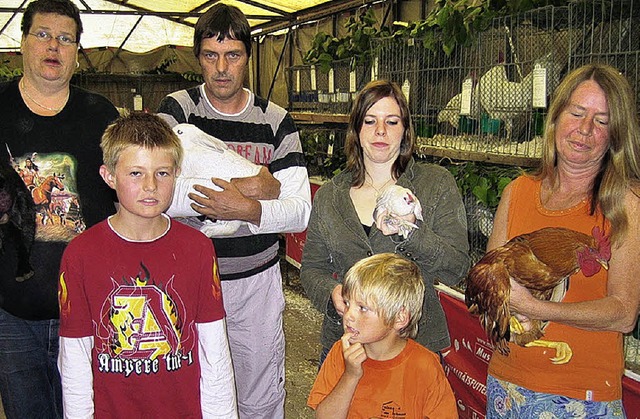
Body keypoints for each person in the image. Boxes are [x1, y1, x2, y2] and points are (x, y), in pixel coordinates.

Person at [156, 4, 311, 417]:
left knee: (259, 394)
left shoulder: (276, 121)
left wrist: (244, 209)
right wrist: (254, 190)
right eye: (210, 55)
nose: (222, 68)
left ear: (248, 57)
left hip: (256, 283)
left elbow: (298, 212)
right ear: (198, 58)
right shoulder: (177, 112)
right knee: (193, 391)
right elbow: (152, 193)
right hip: (185, 281)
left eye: (233, 55)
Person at [57, 112, 238, 417]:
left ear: (177, 173)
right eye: (136, 173)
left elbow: (215, 354)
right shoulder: (80, 255)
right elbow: (74, 360)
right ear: (109, 175)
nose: (151, 186)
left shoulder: (198, 250)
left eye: (163, 173)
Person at [485, 63, 640, 417]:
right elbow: (489, 284)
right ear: (556, 117)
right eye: (577, 112)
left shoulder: (626, 202)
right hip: (506, 384)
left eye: (601, 121)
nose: (585, 129)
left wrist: (536, 308)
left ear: (615, 134)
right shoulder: (518, 192)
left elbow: (624, 313)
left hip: (580, 397)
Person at [0, 0, 119, 417]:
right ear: (23, 42)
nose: (54, 46)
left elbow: (126, 196)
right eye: (44, 34)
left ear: (77, 51)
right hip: (12, 312)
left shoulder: (100, 115)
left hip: (89, 311)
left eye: (66, 39)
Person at [300, 79, 470, 363]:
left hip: (414, 348)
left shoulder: (435, 185)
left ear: (405, 130)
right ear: (356, 129)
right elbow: (312, 269)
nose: (380, 131)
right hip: (347, 347)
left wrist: (410, 230)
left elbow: (457, 268)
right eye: (369, 121)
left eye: (392, 122)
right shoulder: (330, 196)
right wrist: (333, 294)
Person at [307, 252, 459, 418]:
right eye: (347, 303)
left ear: (400, 318)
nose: (348, 314)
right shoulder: (341, 353)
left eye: (362, 308)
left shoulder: (425, 366)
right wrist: (350, 376)